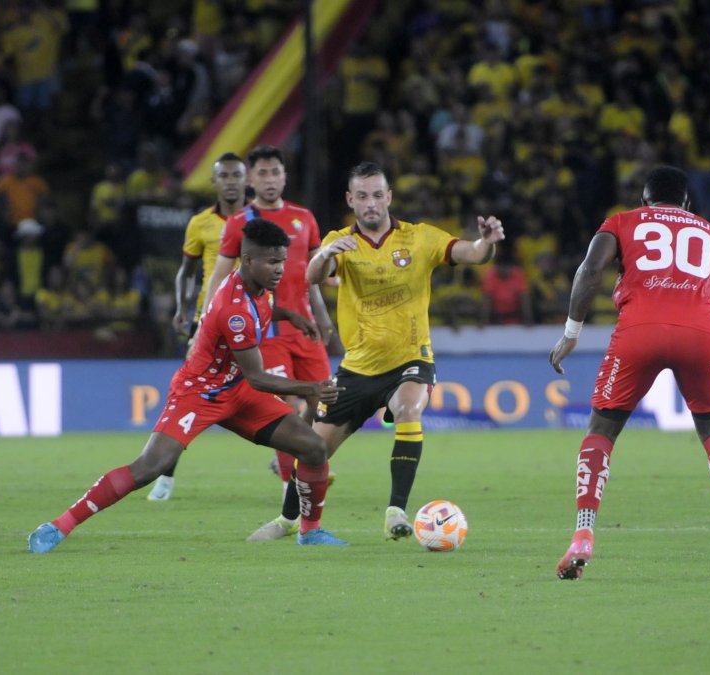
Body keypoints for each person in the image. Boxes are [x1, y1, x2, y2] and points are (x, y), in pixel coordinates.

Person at [27, 219, 347, 552]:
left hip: (237, 389)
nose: (280, 269)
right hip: (201, 392)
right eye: (272, 262)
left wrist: (290, 315)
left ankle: (309, 532)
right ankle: (59, 525)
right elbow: (258, 377)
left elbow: (263, 313)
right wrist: (310, 388)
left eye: (282, 260)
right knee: (150, 467)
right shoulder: (232, 309)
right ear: (248, 260)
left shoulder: (258, 287)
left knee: (313, 448)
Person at [249, 161, 505, 542]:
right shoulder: (342, 242)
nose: (371, 203)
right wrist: (324, 253)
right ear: (351, 200)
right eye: (363, 196)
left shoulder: (419, 238)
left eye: (377, 195)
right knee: (314, 449)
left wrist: (487, 242)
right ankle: (289, 521)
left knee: (408, 408)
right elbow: (312, 277)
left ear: (389, 197)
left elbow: (471, 253)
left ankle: (396, 511)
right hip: (358, 368)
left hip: (410, 358)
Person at [548, 166, 710, 579]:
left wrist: (571, 333)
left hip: (639, 332)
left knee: (601, 431)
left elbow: (589, 271)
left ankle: (582, 535)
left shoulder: (622, 222)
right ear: (686, 203)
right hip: (702, 333)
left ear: (645, 201)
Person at [203, 146, 337, 522]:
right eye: (262, 173)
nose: (270, 179)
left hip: (304, 329)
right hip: (266, 332)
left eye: (275, 171)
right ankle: (288, 489)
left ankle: (300, 466)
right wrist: (208, 322)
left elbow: (313, 278)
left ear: (284, 176)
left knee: (322, 404)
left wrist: (324, 319)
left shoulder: (304, 218)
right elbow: (220, 275)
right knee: (284, 409)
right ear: (251, 178)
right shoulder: (239, 224)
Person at [143, 152, 247, 501]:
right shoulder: (199, 223)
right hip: (210, 321)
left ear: (246, 180)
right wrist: (182, 309)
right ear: (214, 182)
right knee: (190, 397)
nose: (231, 181)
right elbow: (186, 271)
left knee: (273, 391)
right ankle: (166, 475)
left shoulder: (259, 221)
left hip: (255, 319)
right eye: (225, 175)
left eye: (236, 175)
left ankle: (290, 473)